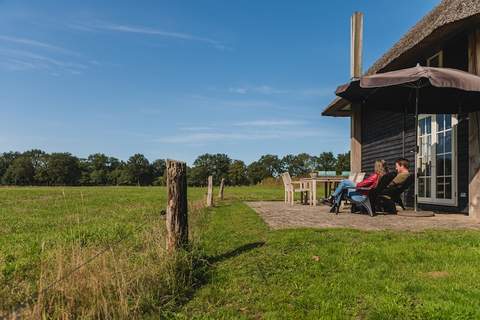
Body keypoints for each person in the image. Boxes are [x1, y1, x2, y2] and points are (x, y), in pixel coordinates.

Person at [324, 160, 388, 208]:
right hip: (364, 194)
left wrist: (357, 183)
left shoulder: (375, 176)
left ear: (377, 167)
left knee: (344, 182)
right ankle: (333, 200)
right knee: (343, 186)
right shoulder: (380, 176)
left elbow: (360, 185)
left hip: (361, 196)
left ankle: (332, 199)